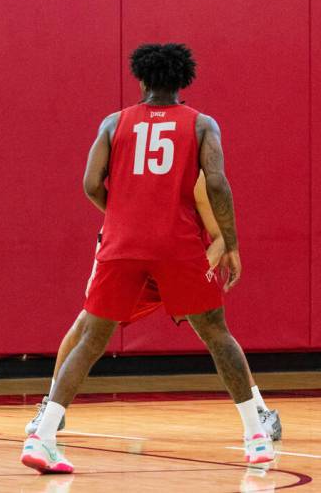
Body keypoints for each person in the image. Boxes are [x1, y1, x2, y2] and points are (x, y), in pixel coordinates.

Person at [21, 43, 275, 474]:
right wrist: (230, 241)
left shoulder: (113, 122)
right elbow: (217, 183)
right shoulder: (201, 125)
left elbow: (89, 183)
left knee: (90, 339)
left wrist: (123, 213)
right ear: (183, 81)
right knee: (216, 334)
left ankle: (42, 436)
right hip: (177, 244)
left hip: (122, 243)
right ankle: (256, 435)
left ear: (141, 79)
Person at [24, 174, 282, 441]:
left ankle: (260, 412)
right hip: (136, 268)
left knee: (215, 334)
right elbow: (109, 228)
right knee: (85, 326)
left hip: (182, 262)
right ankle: (53, 409)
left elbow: (219, 238)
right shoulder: (133, 179)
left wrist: (197, 275)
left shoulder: (195, 178)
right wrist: (95, 271)